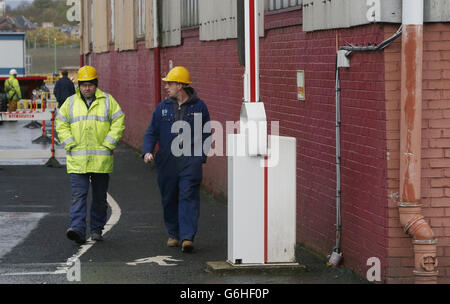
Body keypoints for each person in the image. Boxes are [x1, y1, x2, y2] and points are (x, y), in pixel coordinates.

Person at [142, 66, 211, 253]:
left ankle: (187, 237)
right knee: (169, 197)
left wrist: (200, 157)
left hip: (190, 161)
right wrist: (147, 151)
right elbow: (152, 132)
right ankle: (174, 234)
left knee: (188, 196)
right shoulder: (162, 108)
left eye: (170, 83)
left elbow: (206, 133)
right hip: (167, 162)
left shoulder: (199, 107)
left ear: (180, 85)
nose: (167, 87)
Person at [56, 65, 125, 245]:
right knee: (79, 195)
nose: (87, 88)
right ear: (79, 85)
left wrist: (109, 142)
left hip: (101, 161)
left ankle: (96, 229)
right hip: (77, 161)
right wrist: (69, 142)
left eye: (90, 85)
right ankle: (77, 229)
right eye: (84, 85)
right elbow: (61, 124)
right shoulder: (70, 103)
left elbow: (119, 120)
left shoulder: (108, 101)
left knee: (100, 198)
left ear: (96, 85)